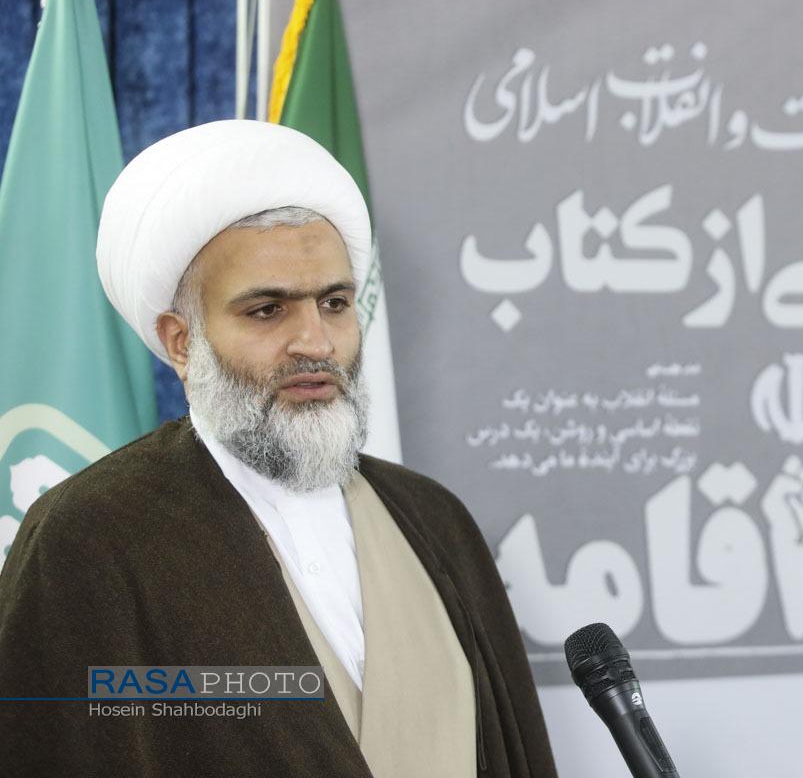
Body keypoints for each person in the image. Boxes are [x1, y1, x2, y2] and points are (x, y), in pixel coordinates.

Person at [0, 120, 558, 778]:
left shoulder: (435, 521)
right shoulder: (90, 537)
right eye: (268, 310)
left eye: (335, 302)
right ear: (182, 341)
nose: (316, 342)